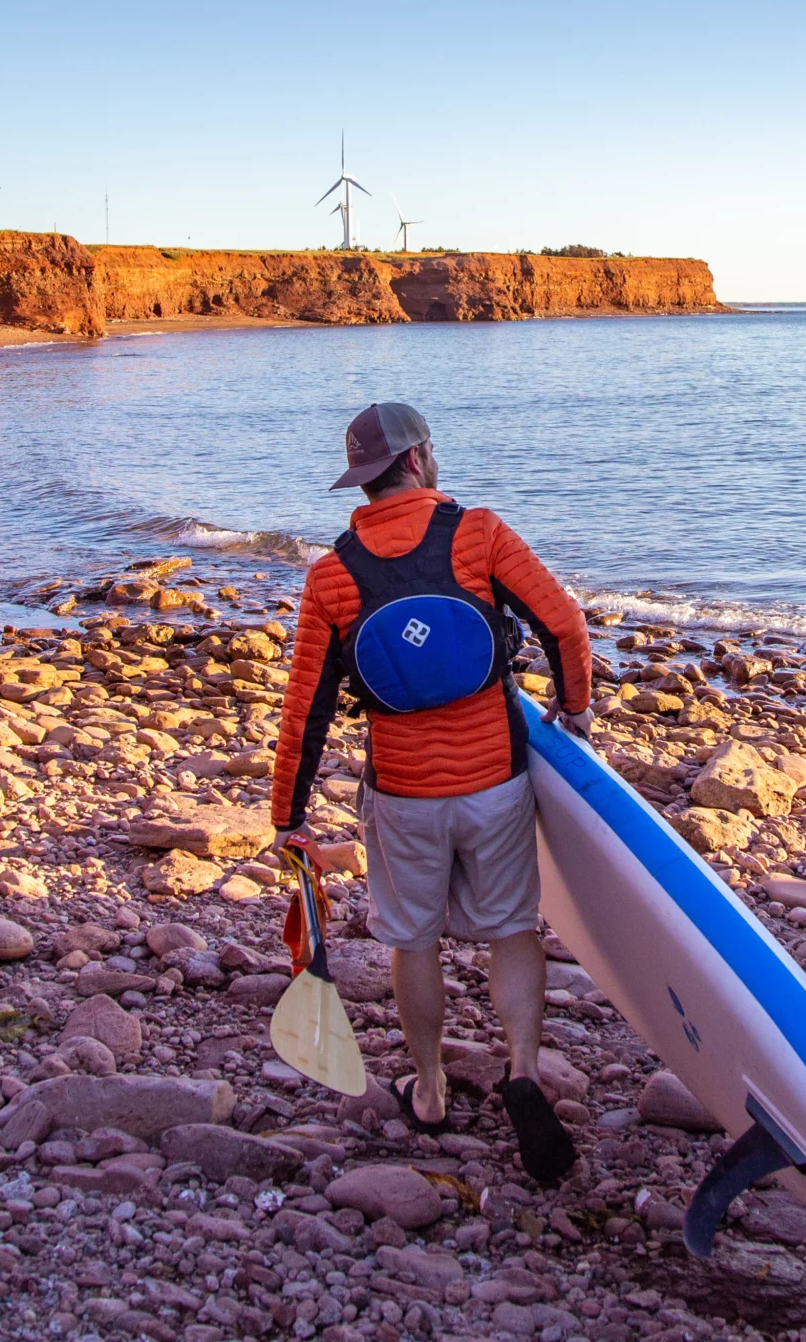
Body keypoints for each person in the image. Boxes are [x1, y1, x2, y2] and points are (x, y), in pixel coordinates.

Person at [269, 401, 595, 1183]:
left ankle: (433, 1089)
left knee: (412, 940)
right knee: (512, 926)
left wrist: (290, 816)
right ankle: (520, 1068)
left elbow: (304, 708)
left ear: (365, 477)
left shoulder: (333, 574)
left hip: (404, 793)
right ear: (419, 460)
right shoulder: (478, 532)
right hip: (495, 783)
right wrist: (575, 711)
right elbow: (565, 627)